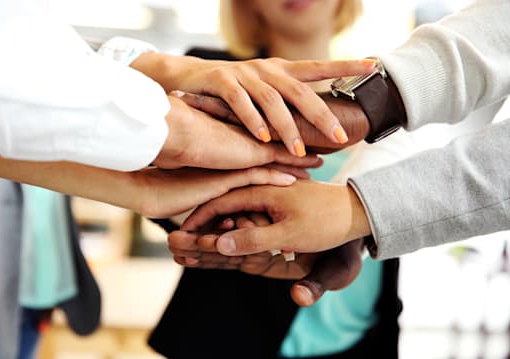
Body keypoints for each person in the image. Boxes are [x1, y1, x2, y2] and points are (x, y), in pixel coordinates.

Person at [0, 1, 375, 357]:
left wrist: (363, 220)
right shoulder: (210, 73)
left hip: (355, 326)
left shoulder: (376, 98)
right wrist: (171, 139)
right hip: (232, 329)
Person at [169, 0, 510, 309]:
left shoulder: (376, 76)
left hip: (359, 321)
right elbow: (167, 184)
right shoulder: (209, 73)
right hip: (239, 319)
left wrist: (356, 225)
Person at [150, 1, 401, 358]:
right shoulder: (208, 71)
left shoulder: (383, 93)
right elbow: (163, 189)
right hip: (234, 333)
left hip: (361, 332)